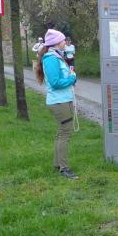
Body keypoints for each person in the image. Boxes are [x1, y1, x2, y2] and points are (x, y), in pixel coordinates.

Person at [34, 29, 78, 179]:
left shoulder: (56, 56)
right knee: (65, 133)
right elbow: (55, 82)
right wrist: (72, 78)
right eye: (63, 40)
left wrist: (70, 75)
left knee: (61, 132)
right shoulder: (51, 58)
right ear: (57, 42)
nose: (65, 42)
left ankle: (58, 164)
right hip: (59, 102)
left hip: (63, 100)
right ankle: (64, 168)